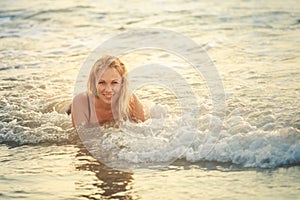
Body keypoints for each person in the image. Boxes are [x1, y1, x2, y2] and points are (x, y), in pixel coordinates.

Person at [71, 55, 146, 127]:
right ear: (94, 83)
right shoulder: (81, 103)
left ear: (122, 83)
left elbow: (143, 131)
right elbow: (80, 138)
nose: (108, 90)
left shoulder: (131, 101)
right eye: (102, 83)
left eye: (114, 83)